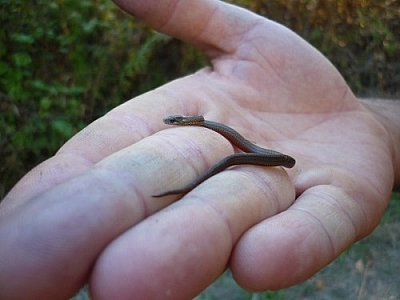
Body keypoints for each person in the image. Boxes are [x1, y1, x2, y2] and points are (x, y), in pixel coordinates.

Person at [0, 0, 399, 299]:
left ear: (185, 122)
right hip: (260, 151)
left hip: (265, 155)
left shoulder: (227, 134)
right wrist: (380, 127)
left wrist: (374, 131)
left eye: (176, 122)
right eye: (177, 123)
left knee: (232, 166)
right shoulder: (207, 124)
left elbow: (282, 161)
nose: (174, 124)